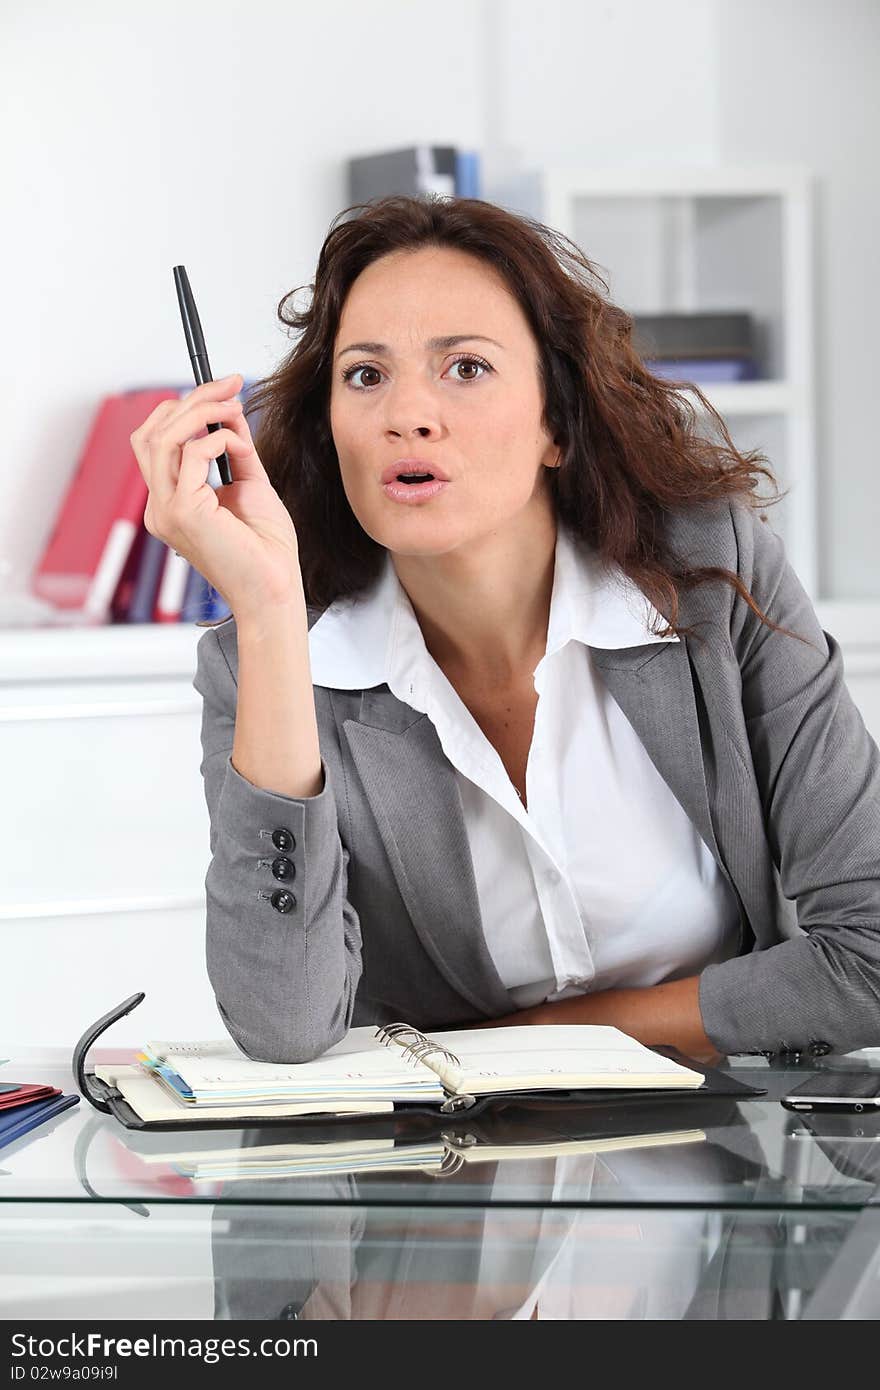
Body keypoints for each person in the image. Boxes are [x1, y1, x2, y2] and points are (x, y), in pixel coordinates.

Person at [130, 195, 880, 1066]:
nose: (408, 414)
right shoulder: (265, 661)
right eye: (366, 375)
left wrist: (529, 1045)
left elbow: (869, 957)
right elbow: (282, 1027)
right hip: (443, 1186)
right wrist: (265, 614)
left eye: (466, 368)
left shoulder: (714, 575)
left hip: (732, 1154)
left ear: (556, 422)